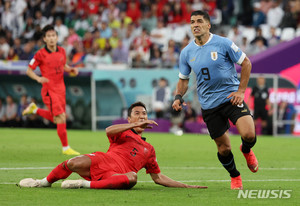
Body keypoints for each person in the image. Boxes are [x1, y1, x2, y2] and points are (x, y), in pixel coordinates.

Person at [18, 102, 207, 190]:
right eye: (137, 113)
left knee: (132, 178)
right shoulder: (123, 131)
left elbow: (158, 178)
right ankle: (43, 182)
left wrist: (185, 185)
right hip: (103, 160)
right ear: (129, 118)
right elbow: (108, 130)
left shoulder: (149, 150)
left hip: (116, 175)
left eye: (144, 114)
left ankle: (83, 184)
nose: (142, 116)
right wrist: (134, 126)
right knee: (73, 163)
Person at [172, 10, 258, 190]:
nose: (195, 24)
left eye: (199, 21)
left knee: (249, 134)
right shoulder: (187, 52)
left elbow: (246, 63)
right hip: (209, 105)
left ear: (208, 25)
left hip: (231, 97)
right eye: (192, 21)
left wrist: (241, 91)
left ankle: (246, 149)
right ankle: (235, 176)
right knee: (224, 149)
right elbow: (183, 79)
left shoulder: (223, 43)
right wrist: (178, 97)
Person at [22, 25, 80, 155]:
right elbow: (29, 70)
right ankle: (66, 148)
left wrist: (71, 69)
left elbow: (63, 65)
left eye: (53, 35)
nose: (52, 38)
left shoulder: (62, 51)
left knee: (57, 119)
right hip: (49, 90)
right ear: (44, 39)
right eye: (48, 36)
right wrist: (38, 78)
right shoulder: (40, 54)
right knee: (61, 117)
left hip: (61, 89)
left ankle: (35, 109)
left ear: (57, 37)